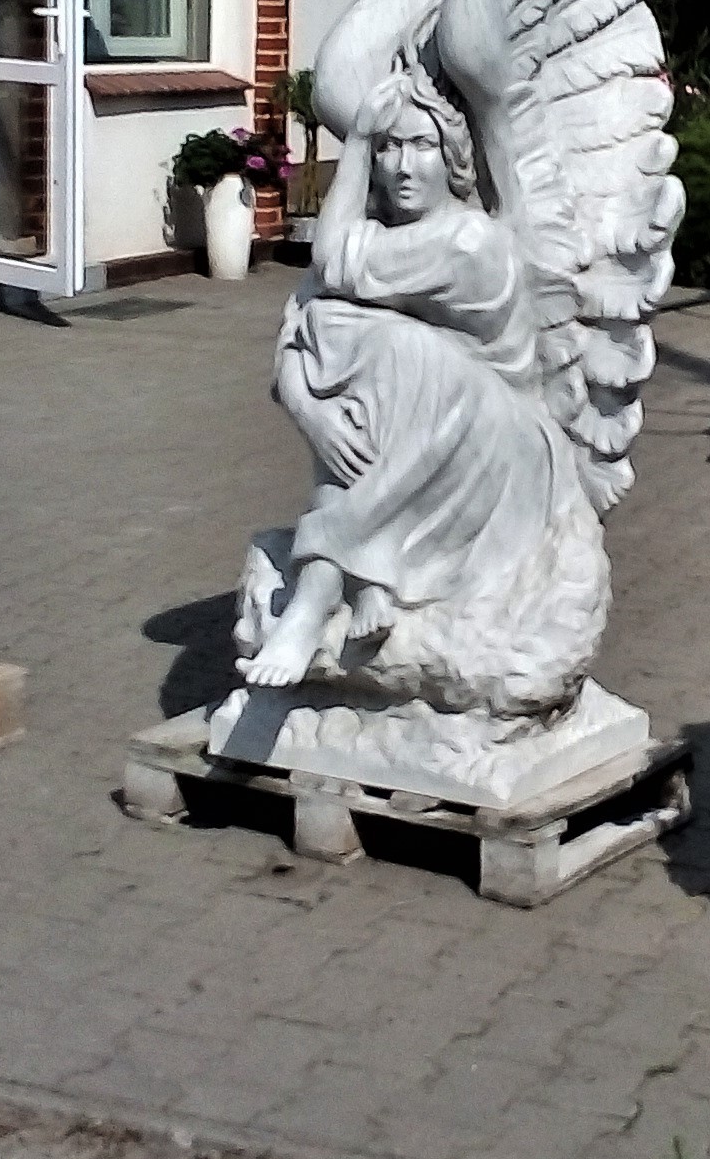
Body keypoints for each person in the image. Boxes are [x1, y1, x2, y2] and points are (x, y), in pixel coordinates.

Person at [238, 58, 606, 717]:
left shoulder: (468, 241)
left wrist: (354, 143)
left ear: (454, 156)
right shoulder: (386, 236)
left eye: (422, 146)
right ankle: (367, 576)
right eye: (389, 148)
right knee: (356, 342)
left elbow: (331, 265)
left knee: (384, 344)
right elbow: (298, 323)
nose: (403, 167)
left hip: (502, 447)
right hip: (428, 432)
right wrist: (306, 407)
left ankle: (318, 595)